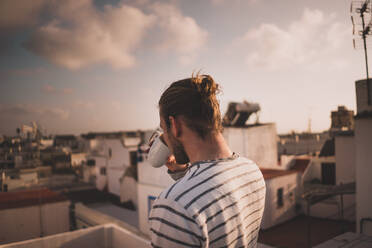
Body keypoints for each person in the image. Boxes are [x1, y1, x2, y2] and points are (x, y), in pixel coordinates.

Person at [149, 74, 266, 247]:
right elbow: (212, 196)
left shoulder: (172, 208)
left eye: (163, 128)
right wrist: (181, 172)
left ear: (175, 125)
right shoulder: (252, 171)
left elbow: (197, 200)